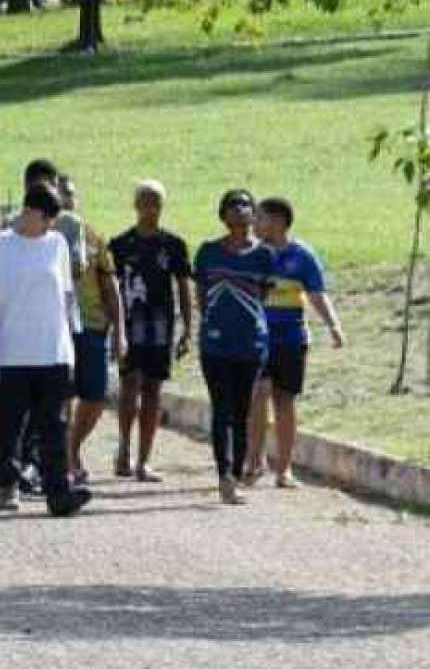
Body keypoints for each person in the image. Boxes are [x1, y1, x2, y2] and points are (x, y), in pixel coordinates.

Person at [0, 183, 94, 517]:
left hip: (52, 350)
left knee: (54, 425)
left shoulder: (56, 244)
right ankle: (5, 484)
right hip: (11, 350)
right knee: (8, 424)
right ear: (31, 213)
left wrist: (72, 336)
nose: (49, 226)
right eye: (46, 218)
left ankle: (59, 493)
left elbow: (66, 293)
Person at [246, 197, 343, 488]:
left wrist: (334, 326)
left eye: (259, 218)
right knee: (258, 394)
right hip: (257, 338)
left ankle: (284, 469)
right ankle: (254, 461)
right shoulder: (252, 254)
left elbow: (317, 294)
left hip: (290, 339)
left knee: (284, 400)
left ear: (277, 221)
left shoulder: (302, 256)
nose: (254, 223)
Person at [194, 188, 276, 505]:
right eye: (233, 205)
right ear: (222, 214)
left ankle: (237, 473)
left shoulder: (264, 256)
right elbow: (201, 293)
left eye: (245, 205)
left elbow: (263, 296)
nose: (239, 210)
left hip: (251, 344)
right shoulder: (207, 252)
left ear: (254, 213)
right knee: (221, 410)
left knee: (242, 411)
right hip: (215, 344)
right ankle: (224, 474)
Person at [108, 180, 194, 482]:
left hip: (160, 323)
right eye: (145, 201)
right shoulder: (119, 245)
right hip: (130, 322)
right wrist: (112, 327)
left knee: (154, 389)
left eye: (156, 202)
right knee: (129, 384)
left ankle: (145, 459)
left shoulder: (173, 245)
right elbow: (111, 288)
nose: (150, 208)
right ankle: (124, 448)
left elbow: (183, 286)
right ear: (135, 205)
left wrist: (187, 326)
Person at [58, 176, 124, 486]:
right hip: (55, 328)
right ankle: (63, 460)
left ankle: (72, 446)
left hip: (92, 327)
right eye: (59, 195)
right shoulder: (39, 237)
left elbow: (110, 285)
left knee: (95, 397)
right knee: (60, 398)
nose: (65, 200)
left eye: (69, 194)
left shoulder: (93, 237)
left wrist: (120, 332)